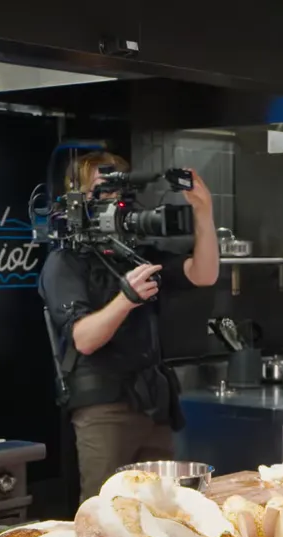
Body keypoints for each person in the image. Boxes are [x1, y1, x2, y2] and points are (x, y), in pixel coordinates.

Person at [40, 151, 219, 502]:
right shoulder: (65, 262)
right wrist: (127, 297)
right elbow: (84, 339)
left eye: (118, 190)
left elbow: (204, 273)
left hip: (153, 403)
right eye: (103, 190)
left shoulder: (134, 254)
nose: (114, 199)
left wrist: (204, 210)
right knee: (106, 510)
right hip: (104, 409)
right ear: (79, 198)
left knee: (163, 509)